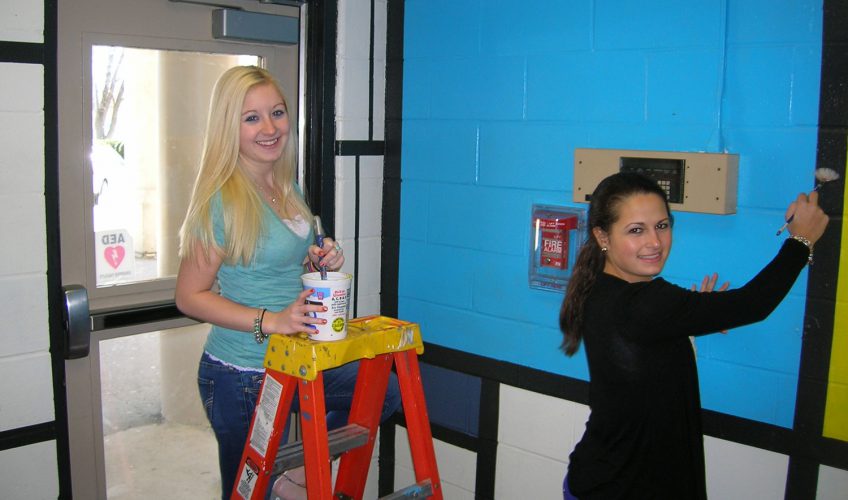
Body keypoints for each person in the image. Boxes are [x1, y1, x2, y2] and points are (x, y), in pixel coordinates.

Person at [175, 65, 401, 500]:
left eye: (277, 113)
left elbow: (278, 261)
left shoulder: (285, 187)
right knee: (245, 492)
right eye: (251, 117)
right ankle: (280, 484)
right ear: (229, 127)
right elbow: (188, 296)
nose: (270, 127)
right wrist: (273, 321)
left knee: (382, 391)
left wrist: (319, 257)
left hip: (293, 357)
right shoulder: (220, 201)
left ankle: (291, 480)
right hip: (240, 373)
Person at [558, 172, 829, 499]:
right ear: (603, 236)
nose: (655, 242)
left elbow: (644, 342)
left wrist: (694, 315)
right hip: (625, 487)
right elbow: (754, 304)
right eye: (636, 230)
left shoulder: (598, 287)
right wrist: (801, 242)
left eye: (662, 225)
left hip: (597, 476)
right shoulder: (648, 305)